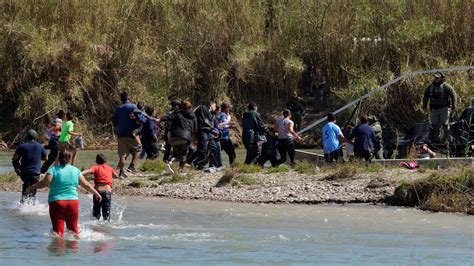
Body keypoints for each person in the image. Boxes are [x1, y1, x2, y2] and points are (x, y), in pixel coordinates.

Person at [27, 150, 102, 237]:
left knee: (58, 232)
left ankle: (58, 249)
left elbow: (44, 183)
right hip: (72, 202)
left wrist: (31, 187)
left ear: (59, 158)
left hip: (57, 202)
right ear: (70, 159)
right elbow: (86, 184)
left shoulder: (53, 170)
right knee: (74, 230)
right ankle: (72, 250)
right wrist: (96, 193)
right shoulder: (76, 171)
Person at [12, 130, 47, 203]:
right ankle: (32, 205)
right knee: (33, 191)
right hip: (36, 173)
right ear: (35, 137)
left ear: (26, 137)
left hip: (24, 173)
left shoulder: (22, 146)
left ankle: (23, 205)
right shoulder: (40, 146)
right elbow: (46, 158)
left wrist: (17, 167)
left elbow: (14, 158)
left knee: (25, 189)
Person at [162, 101, 197, 173]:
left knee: (175, 152)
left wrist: (160, 119)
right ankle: (180, 170)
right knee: (184, 154)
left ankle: (170, 162)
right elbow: (195, 128)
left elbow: (167, 117)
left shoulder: (177, 113)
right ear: (190, 107)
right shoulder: (193, 115)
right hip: (186, 138)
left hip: (174, 137)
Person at [422, 72, 457, 143]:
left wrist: (453, 106)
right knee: (434, 126)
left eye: (438, 77)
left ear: (441, 78)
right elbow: (426, 96)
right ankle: (436, 141)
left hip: (444, 109)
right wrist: (424, 106)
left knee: (445, 125)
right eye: (435, 77)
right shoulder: (430, 87)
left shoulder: (446, 86)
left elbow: (453, 95)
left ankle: (446, 141)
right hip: (434, 110)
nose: (436, 78)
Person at [81, 154, 118, 221]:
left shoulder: (95, 167)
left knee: (96, 214)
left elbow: (88, 171)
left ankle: (95, 230)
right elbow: (116, 175)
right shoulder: (109, 168)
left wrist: (79, 173)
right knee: (106, 215)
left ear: (96, 161)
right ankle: (105, 229)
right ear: (106, 161)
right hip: (107, 192)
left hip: (97, 192)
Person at [113, 92, 140, 178]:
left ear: (121, 99)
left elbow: (114, 119)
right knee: (139, 148)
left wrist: (117, 128)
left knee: (123, 154)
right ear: (129, 98)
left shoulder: (118, 108)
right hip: (131, 132)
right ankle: (132, 166)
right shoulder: (133, 106)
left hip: (120, 132)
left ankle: (121, 172)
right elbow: (138, 118)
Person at [187, 100, 216, 170]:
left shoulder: (210, 113)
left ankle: (197, 164)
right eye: (214, 106)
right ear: (210, 105)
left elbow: (209, 123)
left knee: (211, 148)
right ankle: (189, 162)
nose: (215, 108)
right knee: (203, 149)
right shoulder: (202, 107)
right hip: (202, 131)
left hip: (207, 132)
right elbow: (193, 114)